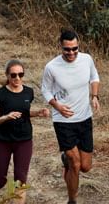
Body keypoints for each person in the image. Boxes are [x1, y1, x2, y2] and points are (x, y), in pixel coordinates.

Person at [41, 29, 101, 204]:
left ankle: (66, 161)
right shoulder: (52, 67)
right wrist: (57, 106)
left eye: (75, 48)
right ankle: (72, 200)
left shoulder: (86, 59)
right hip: (63, 121)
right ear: (61, 46)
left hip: (84, 118)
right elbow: (45, 89)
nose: (71, 53)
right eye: (67, 49)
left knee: (85, 167)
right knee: (75, 163)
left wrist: (95, 96)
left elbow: (94, 76)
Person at [0, 59, 50, 202]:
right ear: (7, 75)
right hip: (2, 140)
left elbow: (24, 112)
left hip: (24, 140)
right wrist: (6, 117)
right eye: (13, 75)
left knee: (20, 180)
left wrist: (38, 113)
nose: (17, 78)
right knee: (0, 182)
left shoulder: (29, 92)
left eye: (20, 74)